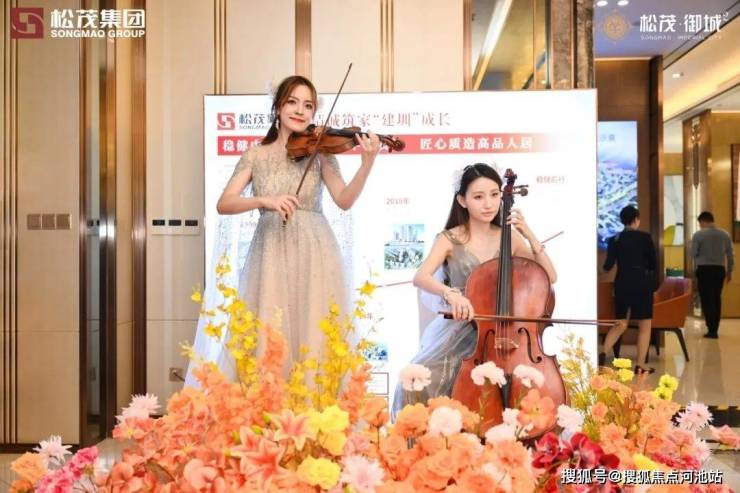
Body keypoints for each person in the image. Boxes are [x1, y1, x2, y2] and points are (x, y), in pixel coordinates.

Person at [186, 75, 380, 385]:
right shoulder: (256, 155)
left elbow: (344, 200)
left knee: (314, 329)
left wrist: (367, 164)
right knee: (269, 326)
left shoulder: (321, 153)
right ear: (277, 106)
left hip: (315, 250)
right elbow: (224, 203)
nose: (300, 111)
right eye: (292, 102)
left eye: (308, 105)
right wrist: (265, 200)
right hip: (271, 250)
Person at [391, 163, 557, 414]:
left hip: (506, 334)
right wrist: (451, 294)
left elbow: (549, 276)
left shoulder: (510, 238)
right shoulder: (449, 238)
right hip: (461, 329)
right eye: (478, 197)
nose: (488, 204)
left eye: (494, 194)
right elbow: (421, 277)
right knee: (415, 383)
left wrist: (529, 234)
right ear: (462, 200)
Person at [600, 205, 657, 373]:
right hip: (641, 283)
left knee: (620, 323)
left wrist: (599, 273)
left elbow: (608, 266)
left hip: (622, 283)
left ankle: (603, 353)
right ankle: (640, 364)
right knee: (645, 325)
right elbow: (653, 264)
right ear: (637, 219)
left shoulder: (615, 239)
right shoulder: (645, 238)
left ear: (622, 220)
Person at [690, 211, 734, 339]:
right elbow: (730, 255)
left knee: (706, 299)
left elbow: (692, 254)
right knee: (716, 298)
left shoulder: (698, 235)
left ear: (703, 221)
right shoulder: (725, 235)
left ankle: (711, 329)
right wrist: (730, 271)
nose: (700, 226)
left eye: (700, 224)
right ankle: (715, 328)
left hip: (704, 270)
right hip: (719, 270)